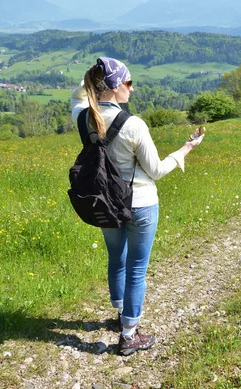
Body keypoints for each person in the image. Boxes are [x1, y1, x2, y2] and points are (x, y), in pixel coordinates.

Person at [70, 57, 204, 356]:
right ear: (116, 87)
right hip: (140, 205)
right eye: (128, 83)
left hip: (103, 201)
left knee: (116, 259)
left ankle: (120, 315)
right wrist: (186, 149)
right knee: (136, 270)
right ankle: (129, 335)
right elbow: (155, 170)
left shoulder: (83, 116)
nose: (132, 89)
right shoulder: (134, 124)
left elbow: (77, 95)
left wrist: (92, 79)